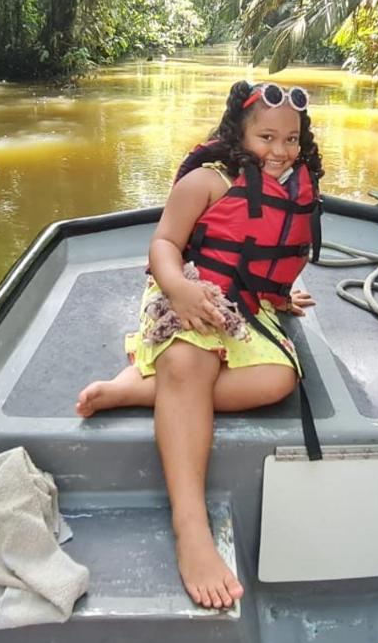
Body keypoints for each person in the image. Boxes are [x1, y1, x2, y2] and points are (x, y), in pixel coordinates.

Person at [75, 80, 324, 610]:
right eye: (266, 137)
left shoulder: (295, 182)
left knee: (278, 379)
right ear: (239, 132)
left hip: (246, 301)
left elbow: (273, 243)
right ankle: (191, 529)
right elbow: (164, 244)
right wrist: (181, 289)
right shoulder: (207, 182)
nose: (279, 151)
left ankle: (143, 389)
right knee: (190, 359)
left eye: (290, 139)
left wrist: (277, 293)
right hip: (186, 286)